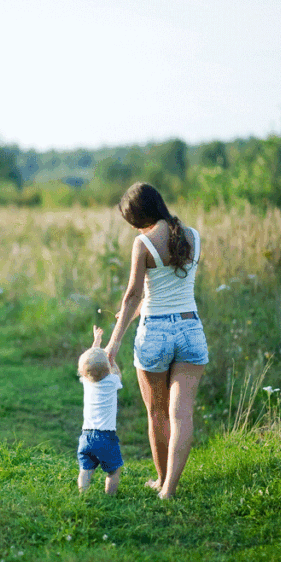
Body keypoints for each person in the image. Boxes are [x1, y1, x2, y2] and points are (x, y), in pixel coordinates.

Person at [105, 182, 209, 499]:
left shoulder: (143, 243)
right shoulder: (193, 237)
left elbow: (133, 295)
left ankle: (161, 480)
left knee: (158, 414)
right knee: (183, 415)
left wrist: (112, 344)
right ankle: (169, 490)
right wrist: (134, 313)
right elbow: (168, 292)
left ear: (141, 215)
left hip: (155, 334)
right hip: (191, 329)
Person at [76, 325, 124, 494]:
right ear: (108, 368)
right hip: (105, 436)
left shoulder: (86, 381)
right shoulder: (112, 382)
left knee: (86, 470)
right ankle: (110, 497)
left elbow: (90, 363)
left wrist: (96, 341)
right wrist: (112, 361)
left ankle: (83, 494)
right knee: (113, 471)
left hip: (86, 436)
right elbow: (116, 373)